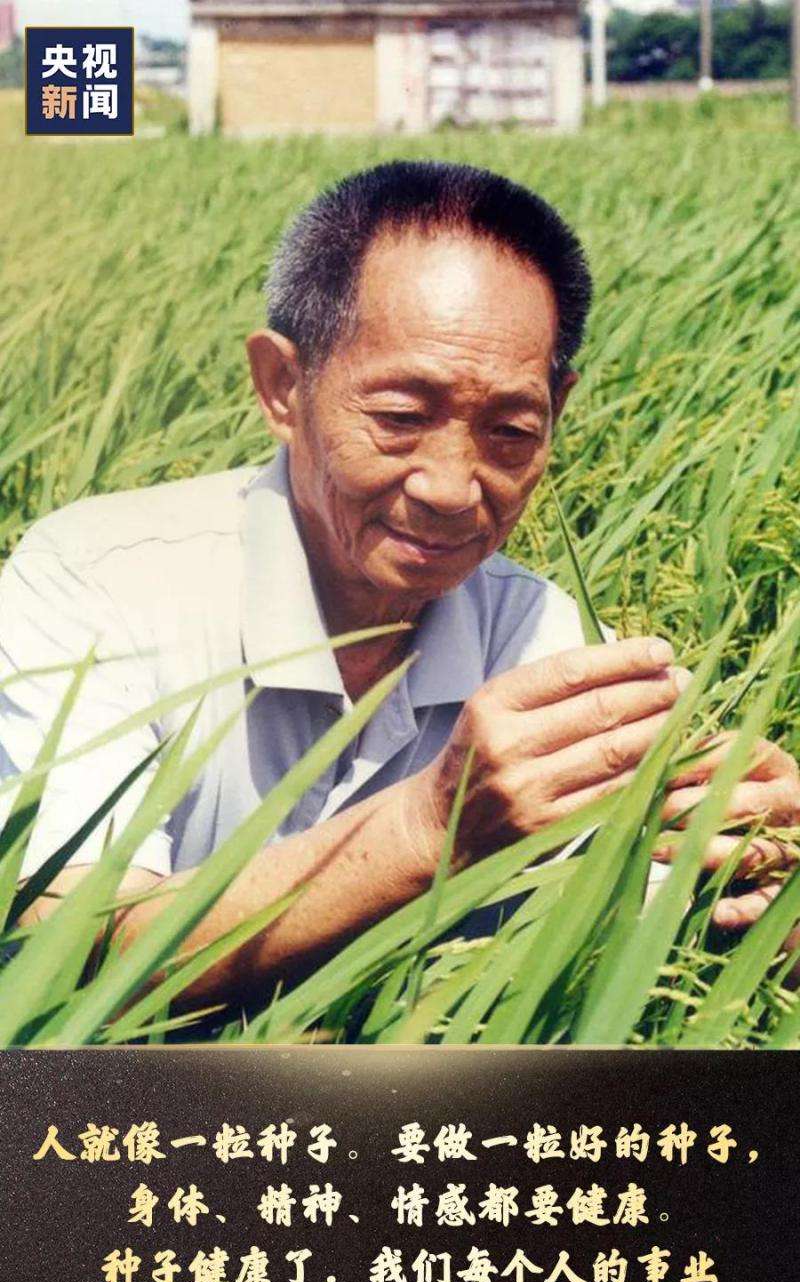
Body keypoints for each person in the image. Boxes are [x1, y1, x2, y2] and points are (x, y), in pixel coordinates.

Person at [1, 161, 798, 1009]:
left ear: (557, 411)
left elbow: (642, 931)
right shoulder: (96, 583)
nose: (451, 487)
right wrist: (430, 828)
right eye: (400, 418)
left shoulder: (540, 639)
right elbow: (62, 949)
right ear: (282, 386)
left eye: (510, 429)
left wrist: (759, 882)